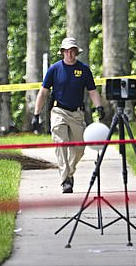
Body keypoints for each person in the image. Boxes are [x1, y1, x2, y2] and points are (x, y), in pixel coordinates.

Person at [31, 37, 105, 193]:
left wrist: (99, 107)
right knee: (61, 142)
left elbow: (92, 91)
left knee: (79, 149)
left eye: (72, 51)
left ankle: (69, 172)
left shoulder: (84, 70)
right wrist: (36, 114)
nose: (70, 54)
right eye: (67, 51)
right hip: (59, 111)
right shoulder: (54, 69)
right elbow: (43, 92)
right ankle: (65, 180)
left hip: (77, 113)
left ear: (76, 52)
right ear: (62, 52)